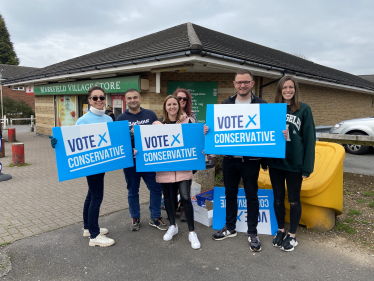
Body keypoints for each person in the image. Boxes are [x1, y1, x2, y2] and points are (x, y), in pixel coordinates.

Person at [49, 86, 115, 247]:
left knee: (91, 195)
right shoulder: (83, 120)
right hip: (91, 163)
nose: (99, 100)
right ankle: (94, 235)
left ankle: (87, 228)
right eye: (95, 98)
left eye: (101, 97)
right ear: (89, 100)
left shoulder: (109, 119)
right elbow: (73, 143)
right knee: (97, 197)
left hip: (103, 162)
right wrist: (58, 144)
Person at [210, 69, 267, 252]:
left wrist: (282, 134)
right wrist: (208, 131)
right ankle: (230, 228)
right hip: (230, 160)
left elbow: (270, 131)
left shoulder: (262, 105)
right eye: (239, 82)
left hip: (251, 161)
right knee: (230, 194)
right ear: (234, 84)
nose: (242, 85)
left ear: (252, 84)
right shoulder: (225, 104)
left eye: (246, 82)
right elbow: (217, 129)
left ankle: (252, 232)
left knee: (252, 196)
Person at [268, 76, 316, 252]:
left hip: (295, 163)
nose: (287, 90)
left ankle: (293, 235)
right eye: (284, 88)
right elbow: (265, 137)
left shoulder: (304, 109)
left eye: (291, 87)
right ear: (279, 90)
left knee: (294, 200)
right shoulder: (273, 110)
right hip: (276, 163)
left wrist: (307, 167)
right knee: (278, 199)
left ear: (295, 89)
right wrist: (265, 160)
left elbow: (310, 140)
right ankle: (281, 230)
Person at [152, 95, 201, 249]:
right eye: (169, 104)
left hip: (183, 168)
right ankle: (173, 225)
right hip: (164, 169)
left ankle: (192, 232)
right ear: (165, 108)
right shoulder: (156, 125)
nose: (172, 107)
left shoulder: (189, 122)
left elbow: (198, 139)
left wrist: (204, 131)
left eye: (175, 104)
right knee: (168, 199)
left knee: (185, 197)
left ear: (179, 106)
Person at [116, 89, 168, 232]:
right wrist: (129, 137)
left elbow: (159, 133)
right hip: (130, 161)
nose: (133, 100)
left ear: (140, 98)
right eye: (129, 98)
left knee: (156, 189)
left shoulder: (150, 114)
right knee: (133, 190)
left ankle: (155, 217)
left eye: (135, 97)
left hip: (148, 160)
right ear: (126, 101)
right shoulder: (120, 118)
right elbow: (118, 141)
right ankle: (135, 217)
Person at [172, 88, 197, 222]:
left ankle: (183, 208)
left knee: (185, 184)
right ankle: (174, 206)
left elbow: (195, 135)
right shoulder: (168, 115)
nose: (181, 100)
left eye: (184, 99)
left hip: (187, 155)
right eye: (179, 98)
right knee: (172, 183)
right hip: (172, 156)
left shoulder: (192, 116)